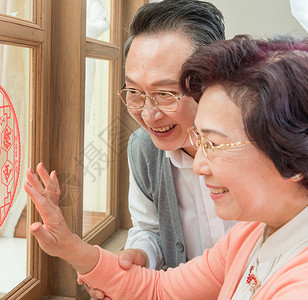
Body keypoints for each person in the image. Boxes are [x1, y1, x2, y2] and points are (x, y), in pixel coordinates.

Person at [0, 35, 308, 299]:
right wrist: (70, 246)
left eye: (215, 144)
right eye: (135, 92)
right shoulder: (253, 232)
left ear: (295, 156)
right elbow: (159, 287)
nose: (200, 163)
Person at [114, 0, 236, 273]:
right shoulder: (144, 150)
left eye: (165, 94)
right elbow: (150, 228)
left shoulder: (260, 145)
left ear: (214, 79)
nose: (149, 114)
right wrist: (141, 255)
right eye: (134, 91)